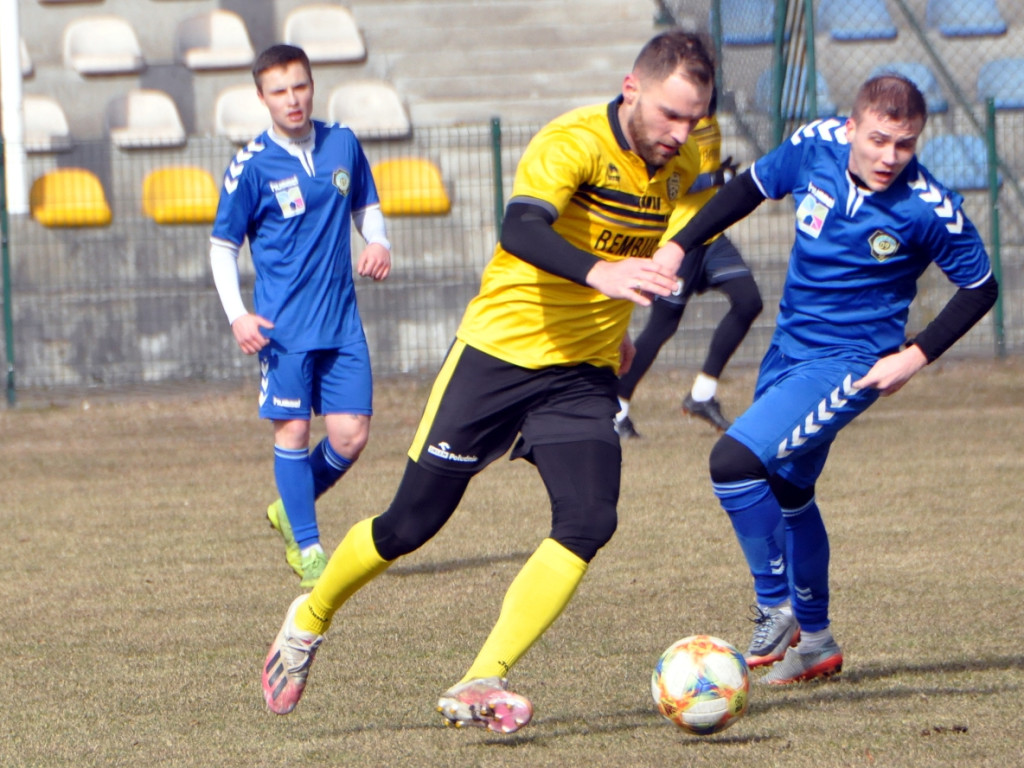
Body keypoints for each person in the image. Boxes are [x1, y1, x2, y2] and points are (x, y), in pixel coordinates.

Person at [259, 30, 715, 732]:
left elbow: (644, 242)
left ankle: (483, 676)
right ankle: (309, 617)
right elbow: (521, 229)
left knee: (590, 519)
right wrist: (604, 278)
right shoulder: (572, 144)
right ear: (632, 89)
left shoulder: (688, 158)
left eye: (693, 119)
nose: (680, 133)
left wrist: (613, 317)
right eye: (669, 116)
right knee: (411, 523)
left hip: (582, 372)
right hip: (497, 355)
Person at [654, 74, 998, 683]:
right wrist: (679, 245)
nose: (890, 156)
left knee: (733, 462)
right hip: (787, 351)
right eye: (879, 139)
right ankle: (816, 644)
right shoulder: (814, 146)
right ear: (850, 128)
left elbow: (980, 285)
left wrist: (913, 356)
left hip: (848, 365)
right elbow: (748, 189)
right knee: (789, 493)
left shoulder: (929, 206)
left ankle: (776, 606)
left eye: (905, 144)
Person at [210, 44, 392, 588]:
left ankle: (290, 507)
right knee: (293, 430)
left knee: (351, 436)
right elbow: (222, 246)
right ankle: (309, 549)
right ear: (262, 97)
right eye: (279, 91)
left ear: (313, 86)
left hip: (340, 322)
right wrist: (238, 316)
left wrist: (378, 241)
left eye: (300, 86)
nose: (293, 99)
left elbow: (366, 205)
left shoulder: (343, 142)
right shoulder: (250, 166)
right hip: (282, 330)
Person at [614, 92, 762, 438]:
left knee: (749, 300)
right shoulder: (676, 127)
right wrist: (715, 181)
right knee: (663, 325)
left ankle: (702, 395)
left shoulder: (707, 120)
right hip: (679, 240)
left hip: (710, 236)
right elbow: (669, 181)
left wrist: (716, 174)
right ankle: (616, 407)